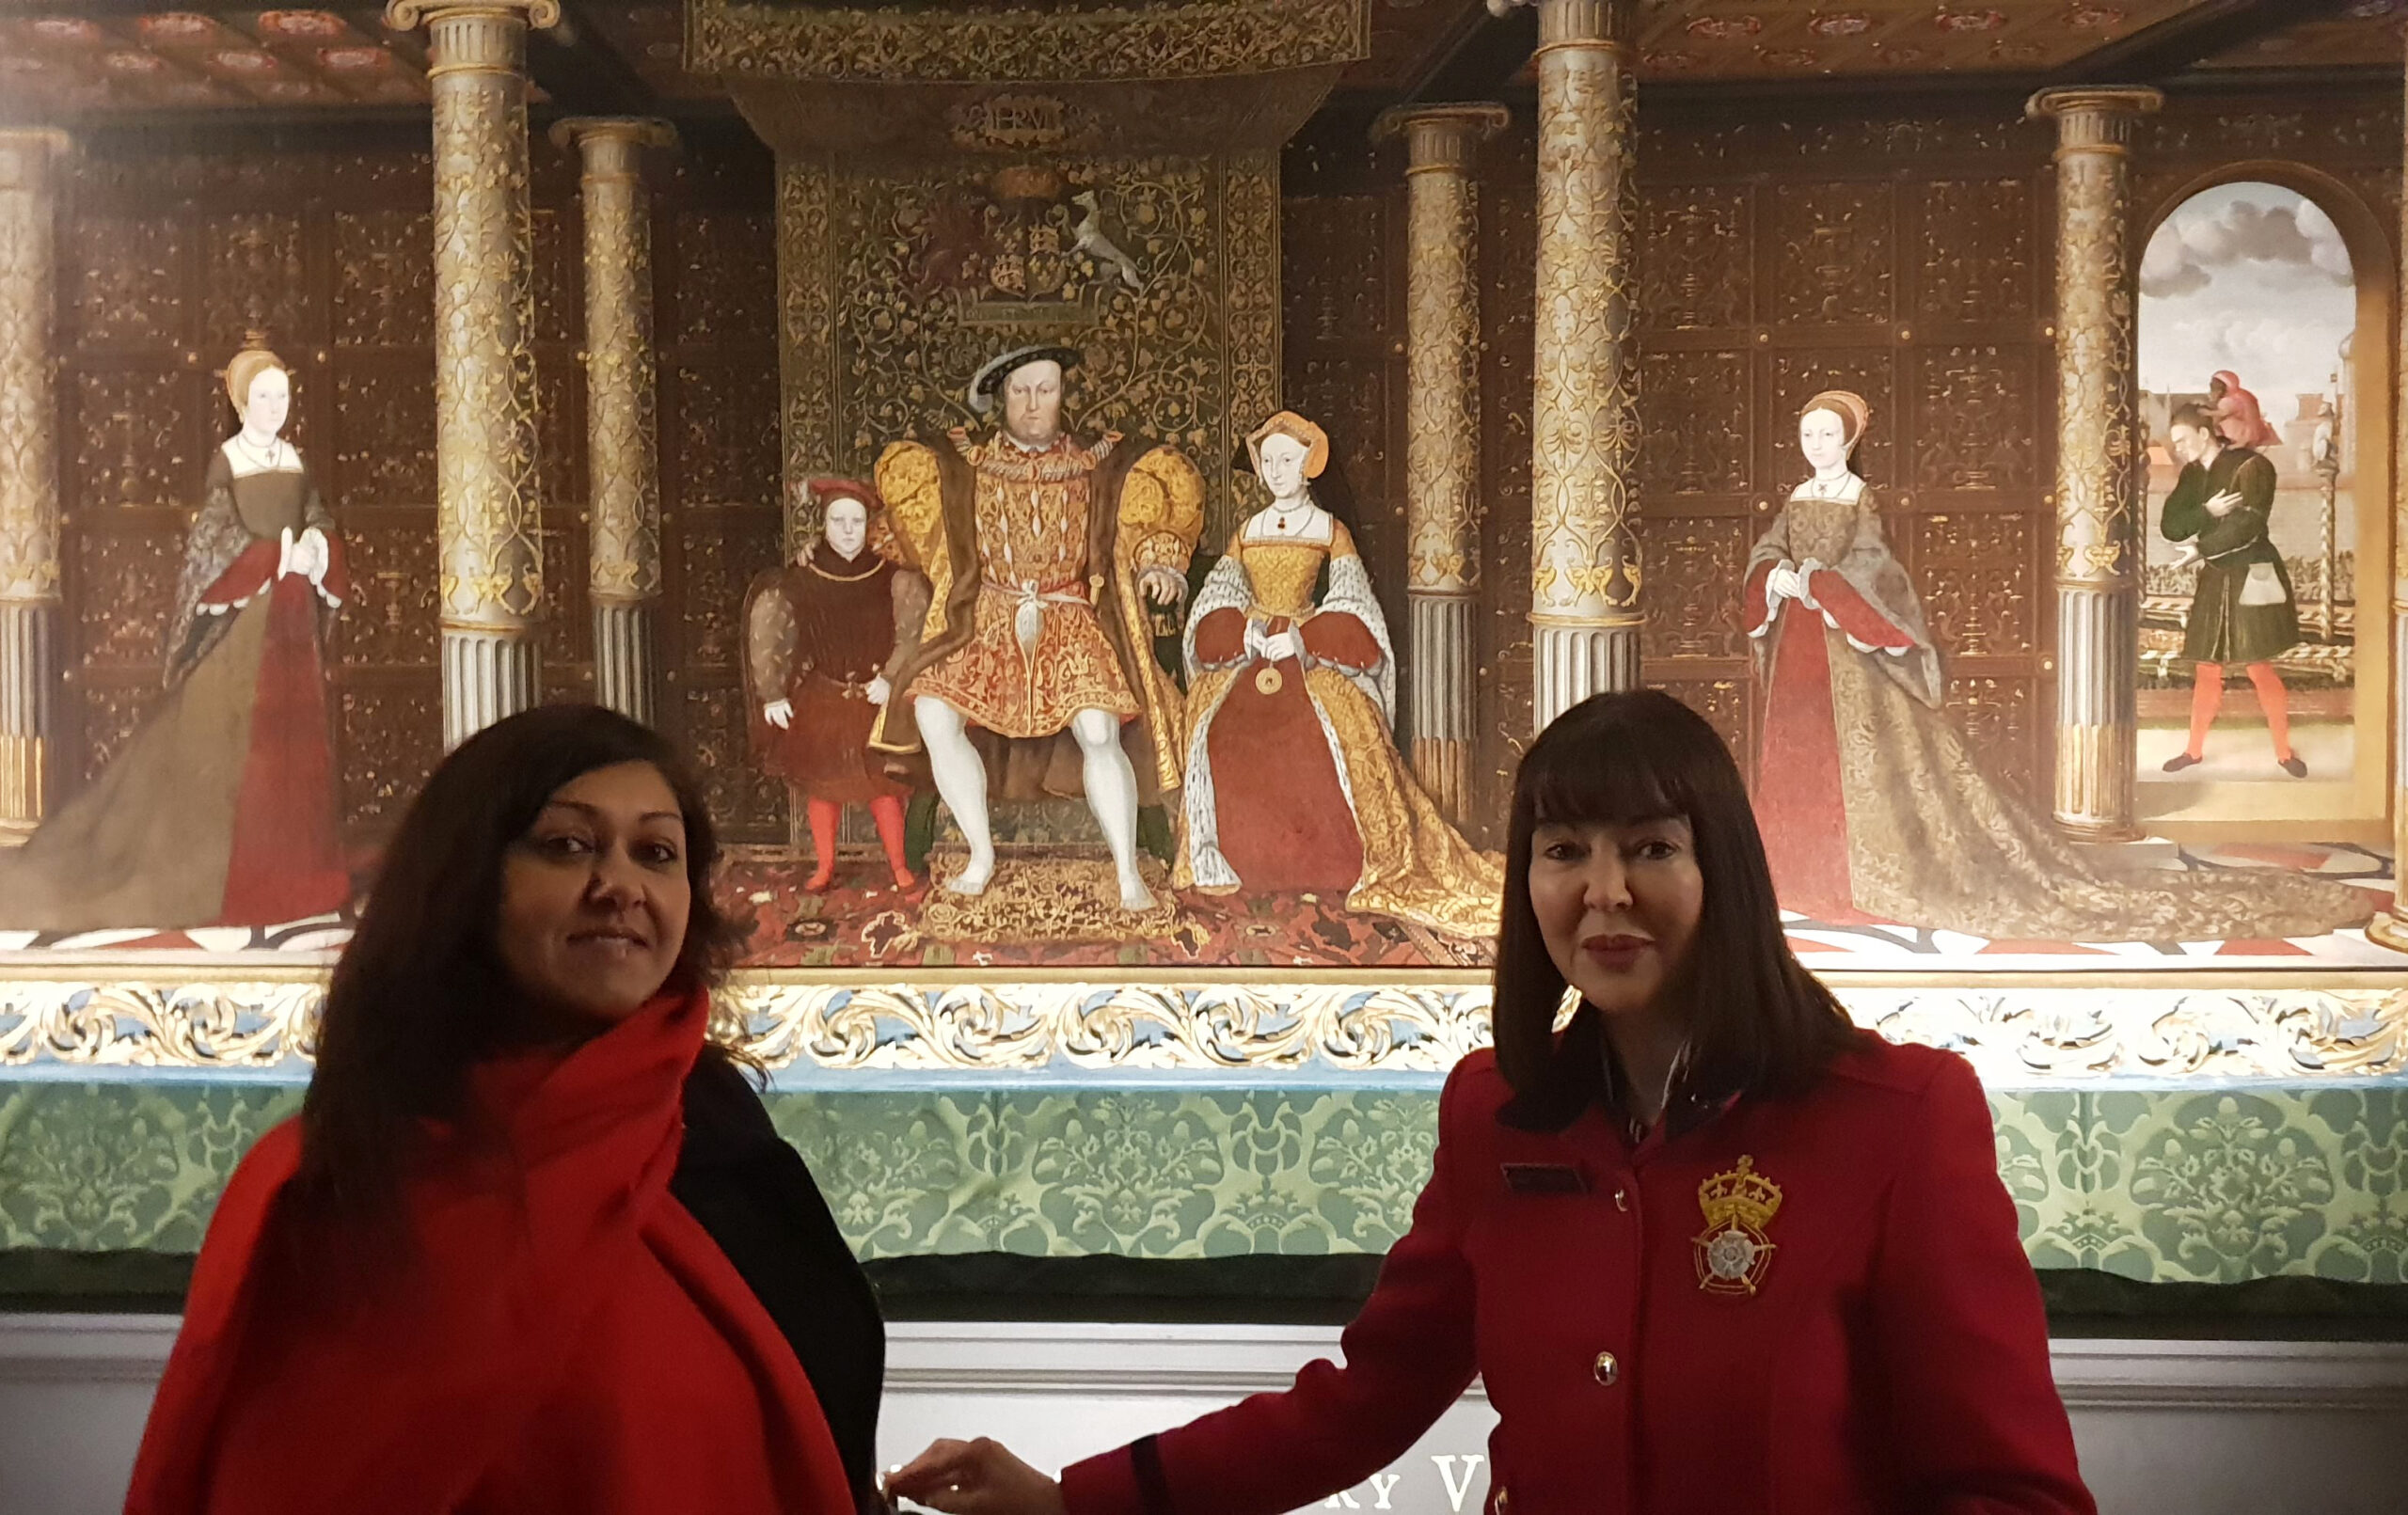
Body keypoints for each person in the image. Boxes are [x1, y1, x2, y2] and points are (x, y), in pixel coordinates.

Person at [887, 690, 2097, 1515]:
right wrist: (1072, 1499)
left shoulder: (1895, 1117)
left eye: (1651, 848)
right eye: (1564, 850)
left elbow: (2016, 1493)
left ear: (1722, 865)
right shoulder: (1497, 1114)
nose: (1603, 893)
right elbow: (1363, 1404)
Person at [125, 705, 880, 1515]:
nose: (620, 884)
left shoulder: (728, 1145)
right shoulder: (337, 1189)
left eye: (656, 852)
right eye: (567, 845)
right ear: (466, 879)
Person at [1745, 389, 2358, 939]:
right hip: (1801, 647)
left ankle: (1859, 879)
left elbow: (1877, 571)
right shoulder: (1798, 496)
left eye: (1828, 434)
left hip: (1850, 650)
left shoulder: (1859, 497)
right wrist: (1774, 574)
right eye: (1808, 435)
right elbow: (1773, 547)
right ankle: (1798, 876)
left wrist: (1824, 585)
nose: (1817, 444)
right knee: (1802, 751)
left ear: (1849, 441)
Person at [0, 336, 350, 930]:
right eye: (264, 397)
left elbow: (317, 515)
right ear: (242, 403)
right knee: (234, 744)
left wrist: (317, 547)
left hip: (292, 622)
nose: (275, 407)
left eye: (283, 396)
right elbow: (214, 545)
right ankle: (225, 874)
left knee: (289, 747)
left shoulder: (295, 460)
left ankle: (289, 867)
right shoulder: (230, 460)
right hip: (241, 627)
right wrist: (270, 559)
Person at [873, 346, 1205, 910]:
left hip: (1070, 614)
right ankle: (981, 854)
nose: (1033, 404)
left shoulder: (1097, 461)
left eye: (1045, 390)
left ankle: (1128, 872)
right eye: (1021, 391)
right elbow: (913, 534)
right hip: (987, 618)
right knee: (932, 712)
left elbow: (1142, 511)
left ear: (1062, 395)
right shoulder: (963, 464)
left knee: (1099, 730)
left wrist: (1161, 558)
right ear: (1003, 397)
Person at [1174, 410, 1500, 937]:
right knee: (1219, 728)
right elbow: (1219, 596)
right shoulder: (1248, 530)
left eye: (1288, 460)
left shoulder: (1329, 529)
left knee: (1328, 733)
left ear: (1308, 467)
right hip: (1255, 648)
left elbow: (1353, 603)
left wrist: (1304, 640)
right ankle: (1241, 865)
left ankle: (1326, 867)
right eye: (1269, 460)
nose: (1277, 470)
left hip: (1304, 649)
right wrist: (1245, 636)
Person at [746, 477, 930, 893]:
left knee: (882, 788)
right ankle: (824, 866)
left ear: (868, 525)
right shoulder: (800, 577)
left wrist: (889, 678)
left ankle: (899, 866)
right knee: (822, 787)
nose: (847, 529)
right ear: (824, 524)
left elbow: (913, 635)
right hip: (823, 696)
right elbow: (773, 629)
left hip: (875, 697)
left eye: (856, 520)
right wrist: (772, 692)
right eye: (838, 520)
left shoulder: (893, 577)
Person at [2159, 402, 2305, 778]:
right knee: (2207, 668)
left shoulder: (2252, 467)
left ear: (2204, 434)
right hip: (2216, 576)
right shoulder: (2192, 475)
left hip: (2251, 571)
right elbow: (2172, 526)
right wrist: (2207, 512)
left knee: (2259, 665)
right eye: (2174, 443)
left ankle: (2285, 753)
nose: (2179, 449)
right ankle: (2193, 752)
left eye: (2183, 440)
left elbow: (2250, 525)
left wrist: (2200, 548)